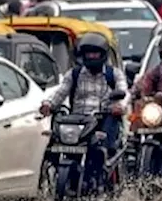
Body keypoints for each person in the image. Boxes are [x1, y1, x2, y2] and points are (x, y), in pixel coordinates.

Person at [38, 33, 128, 173]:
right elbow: (60, 93)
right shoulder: (74, 74)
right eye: (88, 53)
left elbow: (124, 92)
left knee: (103, 147)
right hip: (77, 121)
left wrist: (120, 106)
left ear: (103, 55)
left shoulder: (114, 74)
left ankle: (104, 172)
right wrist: (48, 104)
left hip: (102, 119)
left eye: (95, 53)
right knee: (54, 142)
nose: (91, 57)